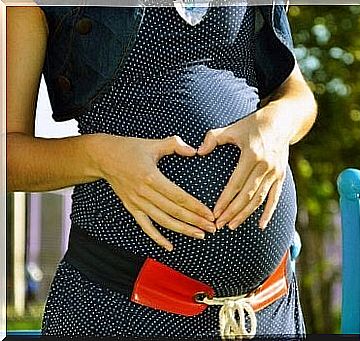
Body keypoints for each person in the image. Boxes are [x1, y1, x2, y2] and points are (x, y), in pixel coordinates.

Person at [7, 0, 318, 338]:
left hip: (268, 312)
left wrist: (277, 124)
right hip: (121, 311)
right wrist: (100, 156)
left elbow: (297, 96)